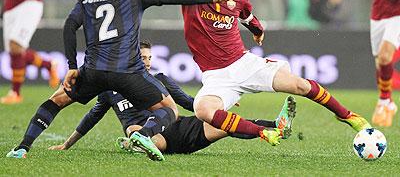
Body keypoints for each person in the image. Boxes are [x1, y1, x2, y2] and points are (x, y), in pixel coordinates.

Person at [6, 0, 235, 161]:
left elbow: (69, 26)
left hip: (93, 71)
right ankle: (144, 135)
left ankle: (22, 147)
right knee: (169, 107)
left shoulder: (85, 2)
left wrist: (72, 66)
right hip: (128, 72)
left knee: (54, 102)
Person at [176, 0, 371, 143]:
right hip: (216, 76)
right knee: (203, 111)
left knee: (298, 84)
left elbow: (247, 16)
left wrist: (257, 31)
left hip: (244, 63)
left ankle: (347, 115)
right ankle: (263, 131)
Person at [48, 41, 296, 155]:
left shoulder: (161, 79)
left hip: (179, 128)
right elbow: (92, 117)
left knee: (226, 124)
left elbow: (188, 101)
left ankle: (277, 126)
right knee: (137, 129)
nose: (145, 62)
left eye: (148, 58)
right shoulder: (110, 87)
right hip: (153, 135)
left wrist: (217, 98)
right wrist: (67, 144)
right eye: (141, 58)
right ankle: (138, 143)